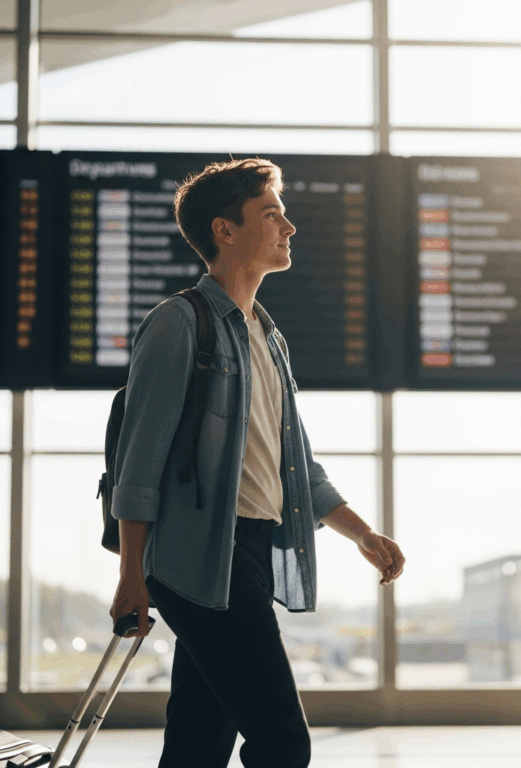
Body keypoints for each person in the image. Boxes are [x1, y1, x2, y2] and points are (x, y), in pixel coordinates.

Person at [109, 157, 405, 768]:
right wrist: (131, 575)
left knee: (198, 739)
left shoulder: (268, 339)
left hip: (249, 550)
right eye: (272, 214)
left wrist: (362, 534)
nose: (289, 227)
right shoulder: (178, 324)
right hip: (194, 559)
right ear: (225, 229)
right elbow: (140, 463)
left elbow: (297, 469)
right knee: (282, 739)